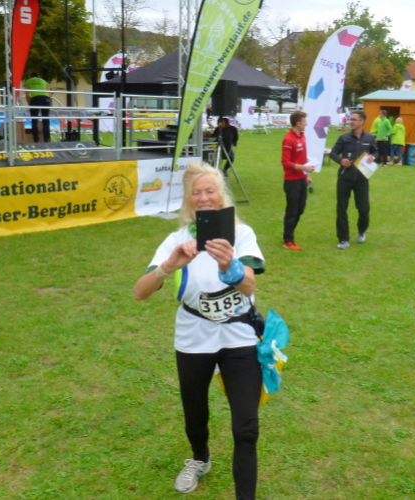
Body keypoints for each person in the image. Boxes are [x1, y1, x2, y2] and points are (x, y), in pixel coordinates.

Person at [133, 162, 265, 499]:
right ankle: (200, 458)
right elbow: (140, 292)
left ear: (221, 195)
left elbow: (249, 286)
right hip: (193, 337)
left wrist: (230, 265)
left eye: (210, 191)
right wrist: (168, 266)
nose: (204, 198)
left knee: (246, 427)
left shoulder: (241, 234)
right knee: (195, 413)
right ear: (188, 200)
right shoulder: (176, 240)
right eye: (196, 192)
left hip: (239, 336)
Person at [329, 110, 378, 249]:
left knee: (364, 209)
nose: (351, 122)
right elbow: (333, 153)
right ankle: (343, 239)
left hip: (362, 179)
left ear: (362, 122)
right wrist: (341, 160)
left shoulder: (370, 138)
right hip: (345, 178)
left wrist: (373, 156)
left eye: (354, 120)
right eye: (350, 119)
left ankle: (362, 230)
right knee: (341, 208)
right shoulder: (344, 138)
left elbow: (376, 151)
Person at [281, 111, 314, 251]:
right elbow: (285, 162)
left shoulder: (303, 136)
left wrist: (306, 175)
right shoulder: (288, 139)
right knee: (292, 211)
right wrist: (303, 168)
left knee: (300, 209)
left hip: (301, 179)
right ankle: (288, 240)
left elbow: (302, 158)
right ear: (298, 123)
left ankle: (288, 233)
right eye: (304, 121)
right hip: (291, 181)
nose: (306, 124)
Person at [24, 72, 52, 143]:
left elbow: (27, 94)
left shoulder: (28, 81)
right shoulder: (44, 81)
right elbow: (49, 94)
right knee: (46, 120)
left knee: (34, 120)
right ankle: (46, 140)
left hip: (35, 99)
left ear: (30, 77)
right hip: (45, 99)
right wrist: (49, 102)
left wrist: (29, 103)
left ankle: (36, 140)